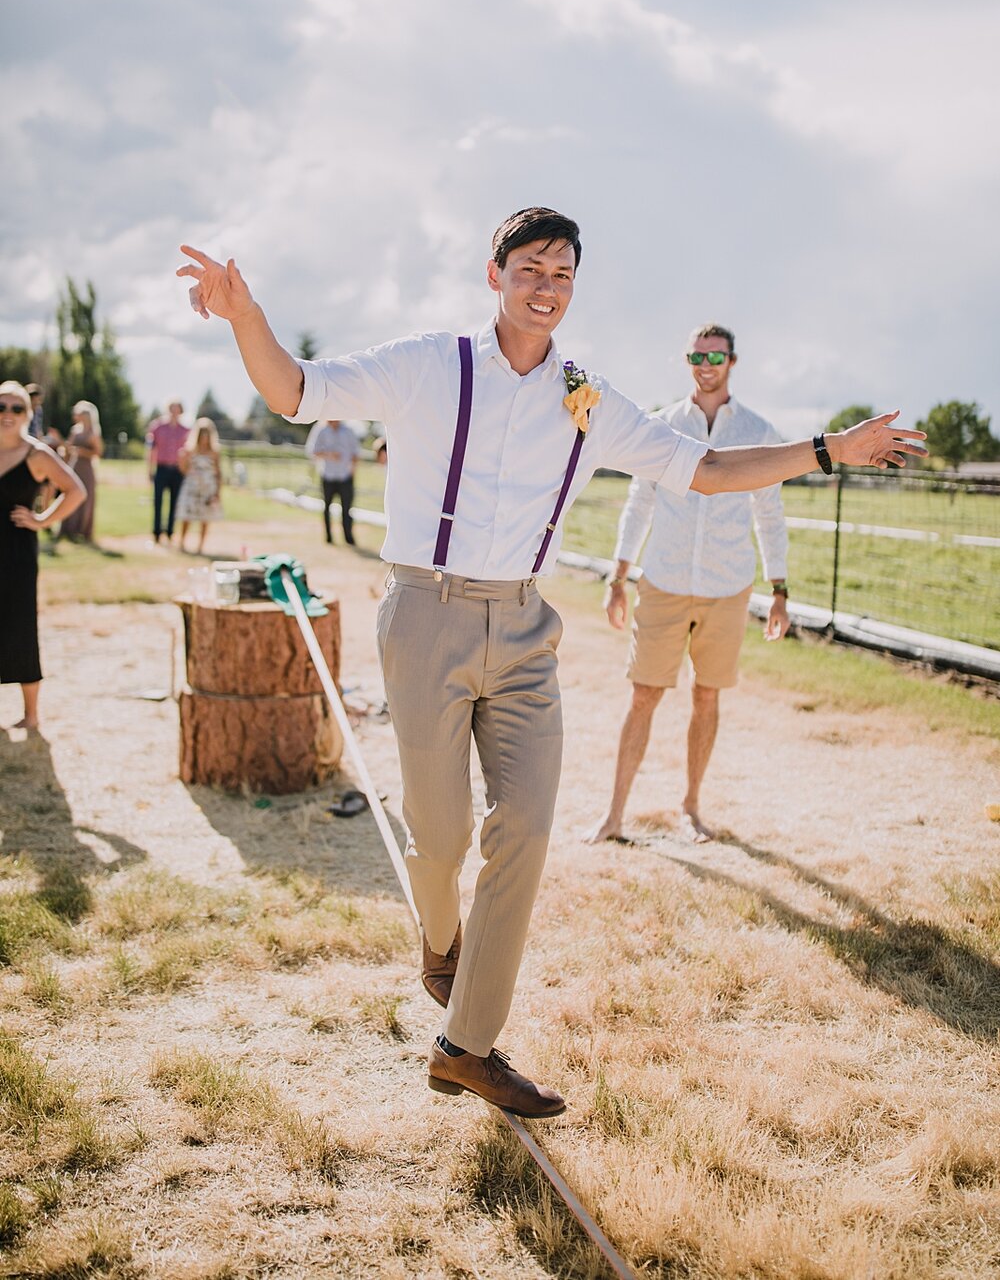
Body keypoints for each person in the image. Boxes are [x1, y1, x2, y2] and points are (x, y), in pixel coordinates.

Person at [177, 208, 925, 1117]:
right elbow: (294, 390)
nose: (547, 286)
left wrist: (826, 451)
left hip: (528, 629)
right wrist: (245, 317)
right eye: (531, 267)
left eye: (563, 273)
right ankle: (440, 941)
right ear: (493, 275)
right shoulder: (428, 364)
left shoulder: (586, 395)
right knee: (440, 832)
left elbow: (705, 470)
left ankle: (467, 1044)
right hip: (425, 613)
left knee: (525, 824)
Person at [586, 324, 791, 847]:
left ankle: (691, 807)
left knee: (706, 697)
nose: (706, 363)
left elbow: (770, 514)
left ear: (732, 361)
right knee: (644, 695)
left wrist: (779, 589)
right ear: (688, 361)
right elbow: (639, 505)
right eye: (697, 356)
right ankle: (614, 816)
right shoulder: (661, 427)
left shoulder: (759, 430)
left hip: (728, 586)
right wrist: (618, 578)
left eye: (715, 355)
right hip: (665, 581)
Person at [0, 381, 87, 731]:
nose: (7, 414)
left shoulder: (37, 454)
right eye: (1, 407)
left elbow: (75, 491)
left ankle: (31, 715)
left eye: (16, 408)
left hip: (17, 550)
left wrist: (41, 520)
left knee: (19, 624)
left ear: (28, 413)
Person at [305, 417, 359, 545]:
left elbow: (355, 453)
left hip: (345, 476)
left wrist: (352, 472)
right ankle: (329, 537)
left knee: (346, 509)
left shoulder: (349, 431)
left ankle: (348, 537)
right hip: (327, 476)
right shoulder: (321, 431)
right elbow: (313, 452)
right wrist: (330, 455)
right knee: (326, 508)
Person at [176, 417, 223, 554]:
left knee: (205, 518)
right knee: (187, 516)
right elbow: (184, 470)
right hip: (192, 486)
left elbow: (218, 472)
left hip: (208, 487)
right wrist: (182, 460)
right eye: (202, 433)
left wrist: (217, 492)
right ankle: (181, 542)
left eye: (207, 433)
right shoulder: (190, 450)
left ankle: (200, 546)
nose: (204, 437)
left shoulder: (215, 452)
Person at [146, 400, 187, 544]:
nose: (174, 412)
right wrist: (149, 470)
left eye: (177, 409)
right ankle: (157, 533)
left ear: (181, 411)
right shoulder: (157, 427)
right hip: (161, 468)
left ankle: (170, 532)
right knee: (158, 501)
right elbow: (151, 450)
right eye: (172, 409)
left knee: (174, 502)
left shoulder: (186, 430)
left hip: (177, 471)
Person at [61, 401, 103, 541]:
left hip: (86, 468)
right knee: (72, 494)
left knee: (86, 497)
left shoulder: (93, 432)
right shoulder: (75, 430)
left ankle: (83, 529)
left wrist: (81, 451)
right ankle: (69, 529)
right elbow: (68, 447)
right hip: (75, 467)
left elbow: (98, 452)